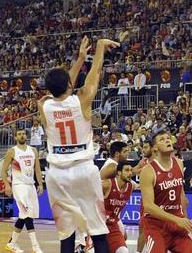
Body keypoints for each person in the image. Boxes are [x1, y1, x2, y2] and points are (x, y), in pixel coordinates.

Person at [38, 37, 119, 252]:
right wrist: (98, 48)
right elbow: (95, 73)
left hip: (56, 174)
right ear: (69, 84)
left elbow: (62, 88)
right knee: (98, 231)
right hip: (83, 169)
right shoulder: (82, 99)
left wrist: (80, 57)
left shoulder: (44, 105)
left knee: (67, 234)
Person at [139, 130, 192, 253]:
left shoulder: (179, 163)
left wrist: (184, 218)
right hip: (156, 225)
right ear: (155, 148)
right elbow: (148, 207)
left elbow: (182, 196)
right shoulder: (148, 171)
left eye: (168, 138)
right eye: (162, 139)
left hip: (176, 221)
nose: (167, 140)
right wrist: (177, 220)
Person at [2, 129, 44, 253]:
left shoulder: (33, 150)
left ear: (26, 136)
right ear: (15, 137)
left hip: (30, 185)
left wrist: (40, 184)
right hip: (19, 186)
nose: (21, 135)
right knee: (27, 216)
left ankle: (12, 243)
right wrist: (7, 185)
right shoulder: (12, 151)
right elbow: (3, 171)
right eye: (19, 134)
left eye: (23, 134)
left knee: (24, 215)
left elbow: (37, 169)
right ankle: (35, 247)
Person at [103, 162, 133, 253]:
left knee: (123, 250)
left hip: (113, 224)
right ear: (119, 173)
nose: (130, 173)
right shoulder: (107, 185)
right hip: (99, 225)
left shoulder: (131, 186)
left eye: (131, 170)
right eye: (127, 170)